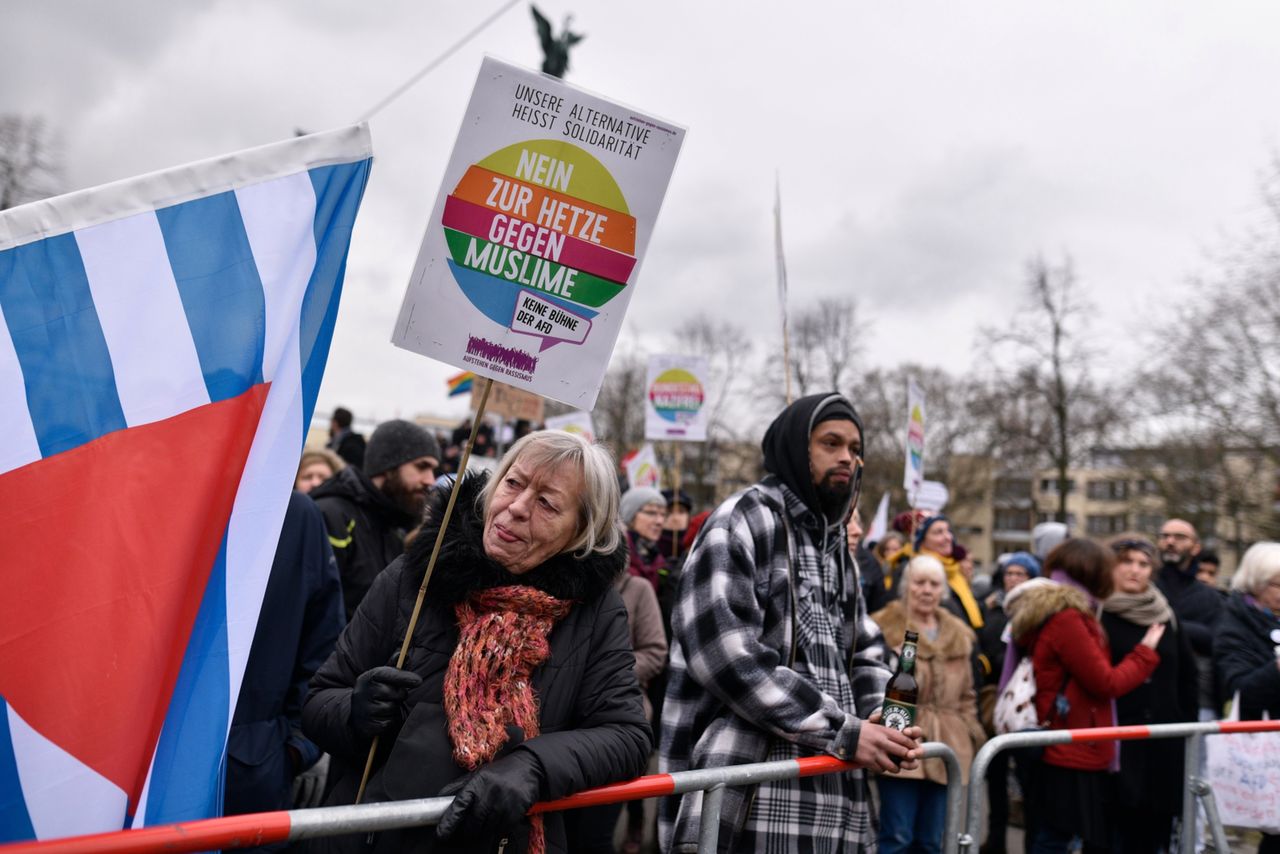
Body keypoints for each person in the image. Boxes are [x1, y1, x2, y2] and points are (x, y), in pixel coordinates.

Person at [303, 430, 651, 854]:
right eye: (513, 482)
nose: (517, 508)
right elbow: (319, 699)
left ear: (579, 529)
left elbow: (626, 736)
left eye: (547, 503)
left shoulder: (594, 612)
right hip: (377, 839)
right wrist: (355, 712)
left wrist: (533, 767)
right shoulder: (413, 576)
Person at [659, 392, 923, 853]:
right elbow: (724, 655)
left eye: (855, 448)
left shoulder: (838, 546)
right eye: (831, 443)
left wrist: (882, 716)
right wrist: (845, 733)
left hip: (834, 801)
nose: (847, 457)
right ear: (795, 449)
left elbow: (865, 648)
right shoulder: (742, 520)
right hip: (748, 796)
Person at [1002, 539, 1163, 853]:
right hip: (1069, 747)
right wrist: (1145, 653)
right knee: (1056, 840)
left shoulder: (1051, 609)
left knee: (1051, 836)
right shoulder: (1069, 618)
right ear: (1096, 574)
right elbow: (1105, 682)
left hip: (1061, 742)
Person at [871, 555, 986, 854]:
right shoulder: (883, 628)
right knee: (897, 836)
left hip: (949, 745)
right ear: (906, 586)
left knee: (933, 841)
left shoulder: (958, 634)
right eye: (919, 582)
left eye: (934, 584)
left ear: (943, 590)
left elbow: (967, 695)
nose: (926, 590)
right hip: (903, 738)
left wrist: (969, 732)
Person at [1097, 534, 1196, 853]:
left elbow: (1187, 677)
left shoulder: (1165, 615)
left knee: (1154, 834)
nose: (1135, 570)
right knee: (1112, 832)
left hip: (1163, 743)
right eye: (1126, 561)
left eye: (1143, 564)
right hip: (1115, 741)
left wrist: (1185, 728)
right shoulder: (1098, 614)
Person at [311, 419, 440, 620]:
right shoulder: (332, 516)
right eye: (422, 466)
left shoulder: (393, 529)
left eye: (433, 470)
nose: (430, 480)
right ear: (388, 466)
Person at [1214, 541, 1280, 854]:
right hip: (1267, 753)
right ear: (1256, 583)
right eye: (1278, 583)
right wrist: (1277, 667)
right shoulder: (1234, 625)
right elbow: (1240, 689)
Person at [977, 551, 1040, 854]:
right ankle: (996, 840)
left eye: (1020, 574)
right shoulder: (992, 609)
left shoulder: (1038, 612)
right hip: (995, 704)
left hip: (1027, 707)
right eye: (1009, 573)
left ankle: (1031, 843)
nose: (1013, 579)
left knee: (1030, 782)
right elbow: (982, 647)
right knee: (996, 778)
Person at [1154, 518, 1223, 720]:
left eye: (1179, 537)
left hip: (1198, 697)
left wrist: (1168, 626)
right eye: (1165, 536)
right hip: (1151, 694)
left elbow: (1215, 640)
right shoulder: (1147, 588)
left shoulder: (1211, 597)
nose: (1170, 541)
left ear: (1195, 547)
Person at [620, 486, 669, 593]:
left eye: (663, 515)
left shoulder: (658, 559)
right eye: (651, 513)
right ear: (630, 516)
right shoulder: (616, 555)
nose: (659, 521)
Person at [849, 506, 891, 614]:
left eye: (857, 522)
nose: (858, 531)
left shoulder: (869, 562)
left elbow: (878, 611)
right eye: (847, 521)